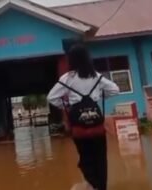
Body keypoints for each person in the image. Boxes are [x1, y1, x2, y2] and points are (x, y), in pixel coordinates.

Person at [47, 43, 119, 190]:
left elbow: (52, 97)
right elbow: (115, 90)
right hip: (97, 127)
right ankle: (101, 186)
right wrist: (96, 97)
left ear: (71, 60)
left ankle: (92, 184)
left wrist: (67, 106)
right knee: (100, 158)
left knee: (85, 158)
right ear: (87, 58)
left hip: (79, 127)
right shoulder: (96, 76)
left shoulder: (67, 78)